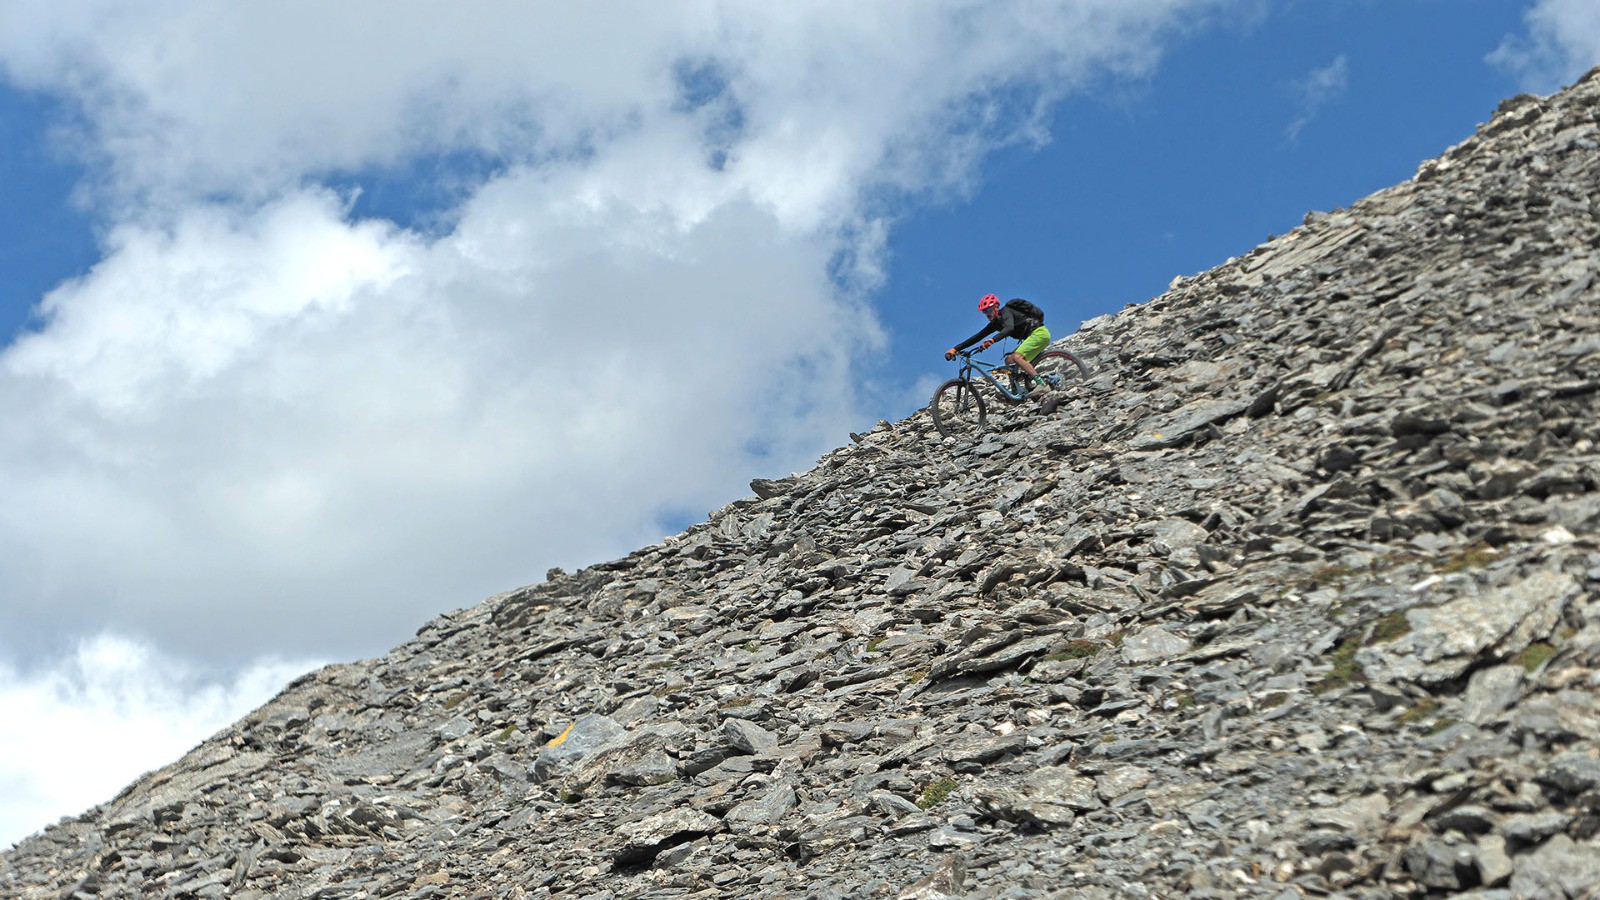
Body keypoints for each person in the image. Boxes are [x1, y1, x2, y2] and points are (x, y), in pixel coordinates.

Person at [945, 293, 1051, 383]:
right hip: (1031, 337)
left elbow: (1009, 328)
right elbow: (978, 336)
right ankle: (1016, 392)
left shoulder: (1006, 311)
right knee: (1009, 360)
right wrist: (955, 349)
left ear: (996, 307)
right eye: (984, 311)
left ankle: (1041, 384)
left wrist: (992, 340)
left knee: (1016, 357)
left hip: (1039, 333)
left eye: (988, 310)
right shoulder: (995, 324)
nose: (986, 314)